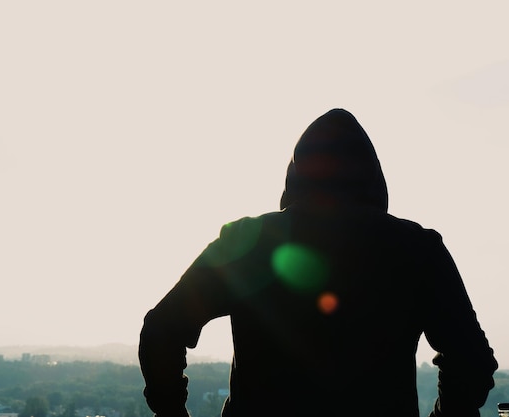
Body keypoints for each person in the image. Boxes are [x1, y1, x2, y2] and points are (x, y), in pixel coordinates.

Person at [138, 109, 498, 417]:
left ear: (295, 176)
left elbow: (161, 331)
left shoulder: (250, 241)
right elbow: (471, 362)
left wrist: (171, 411)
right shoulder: (418, 249)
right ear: (373, 177)